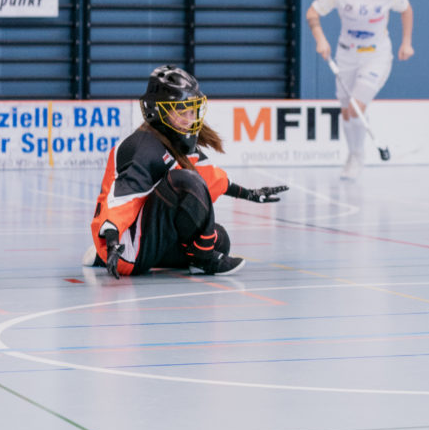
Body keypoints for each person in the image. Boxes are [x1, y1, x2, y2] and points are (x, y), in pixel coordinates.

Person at [88, 65, 287, 278]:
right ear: (159, 111)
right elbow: (122, 197)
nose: (191, 117)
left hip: (138, 240)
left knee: (220, 240)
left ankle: (102, 256)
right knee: (184, 182)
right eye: (183, 111)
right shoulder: (143, 147)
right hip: (129, 250)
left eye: (192, 110)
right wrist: (112, 241)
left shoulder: (173, 140)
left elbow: (208, 178)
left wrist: (249, 193)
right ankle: (203, 261)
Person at [306, 0, 414, 180]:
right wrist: (321, 40)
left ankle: (358, 157)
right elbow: (312, 13)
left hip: (376, 56)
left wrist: (406, 42)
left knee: (356, 107)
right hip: (346, 55)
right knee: (346, 112)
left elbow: (406, 10)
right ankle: (353, 153)